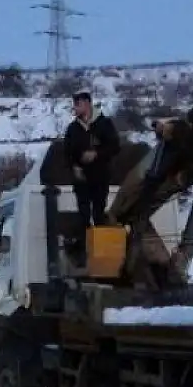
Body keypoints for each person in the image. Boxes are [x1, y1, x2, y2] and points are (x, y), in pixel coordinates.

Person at [62, 90, 121, 261]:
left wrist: (96, 154)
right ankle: (84, 252)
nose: (75, 108)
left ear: (87, 104)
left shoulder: (104, 124)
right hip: (81, 179)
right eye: (74, 105)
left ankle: (102, 252)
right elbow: (67, 153)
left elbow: (115, 146)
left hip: (100, 176)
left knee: (99, 213)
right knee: (83, 214)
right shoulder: (73, 128)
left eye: (78, 104)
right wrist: (74, 167)